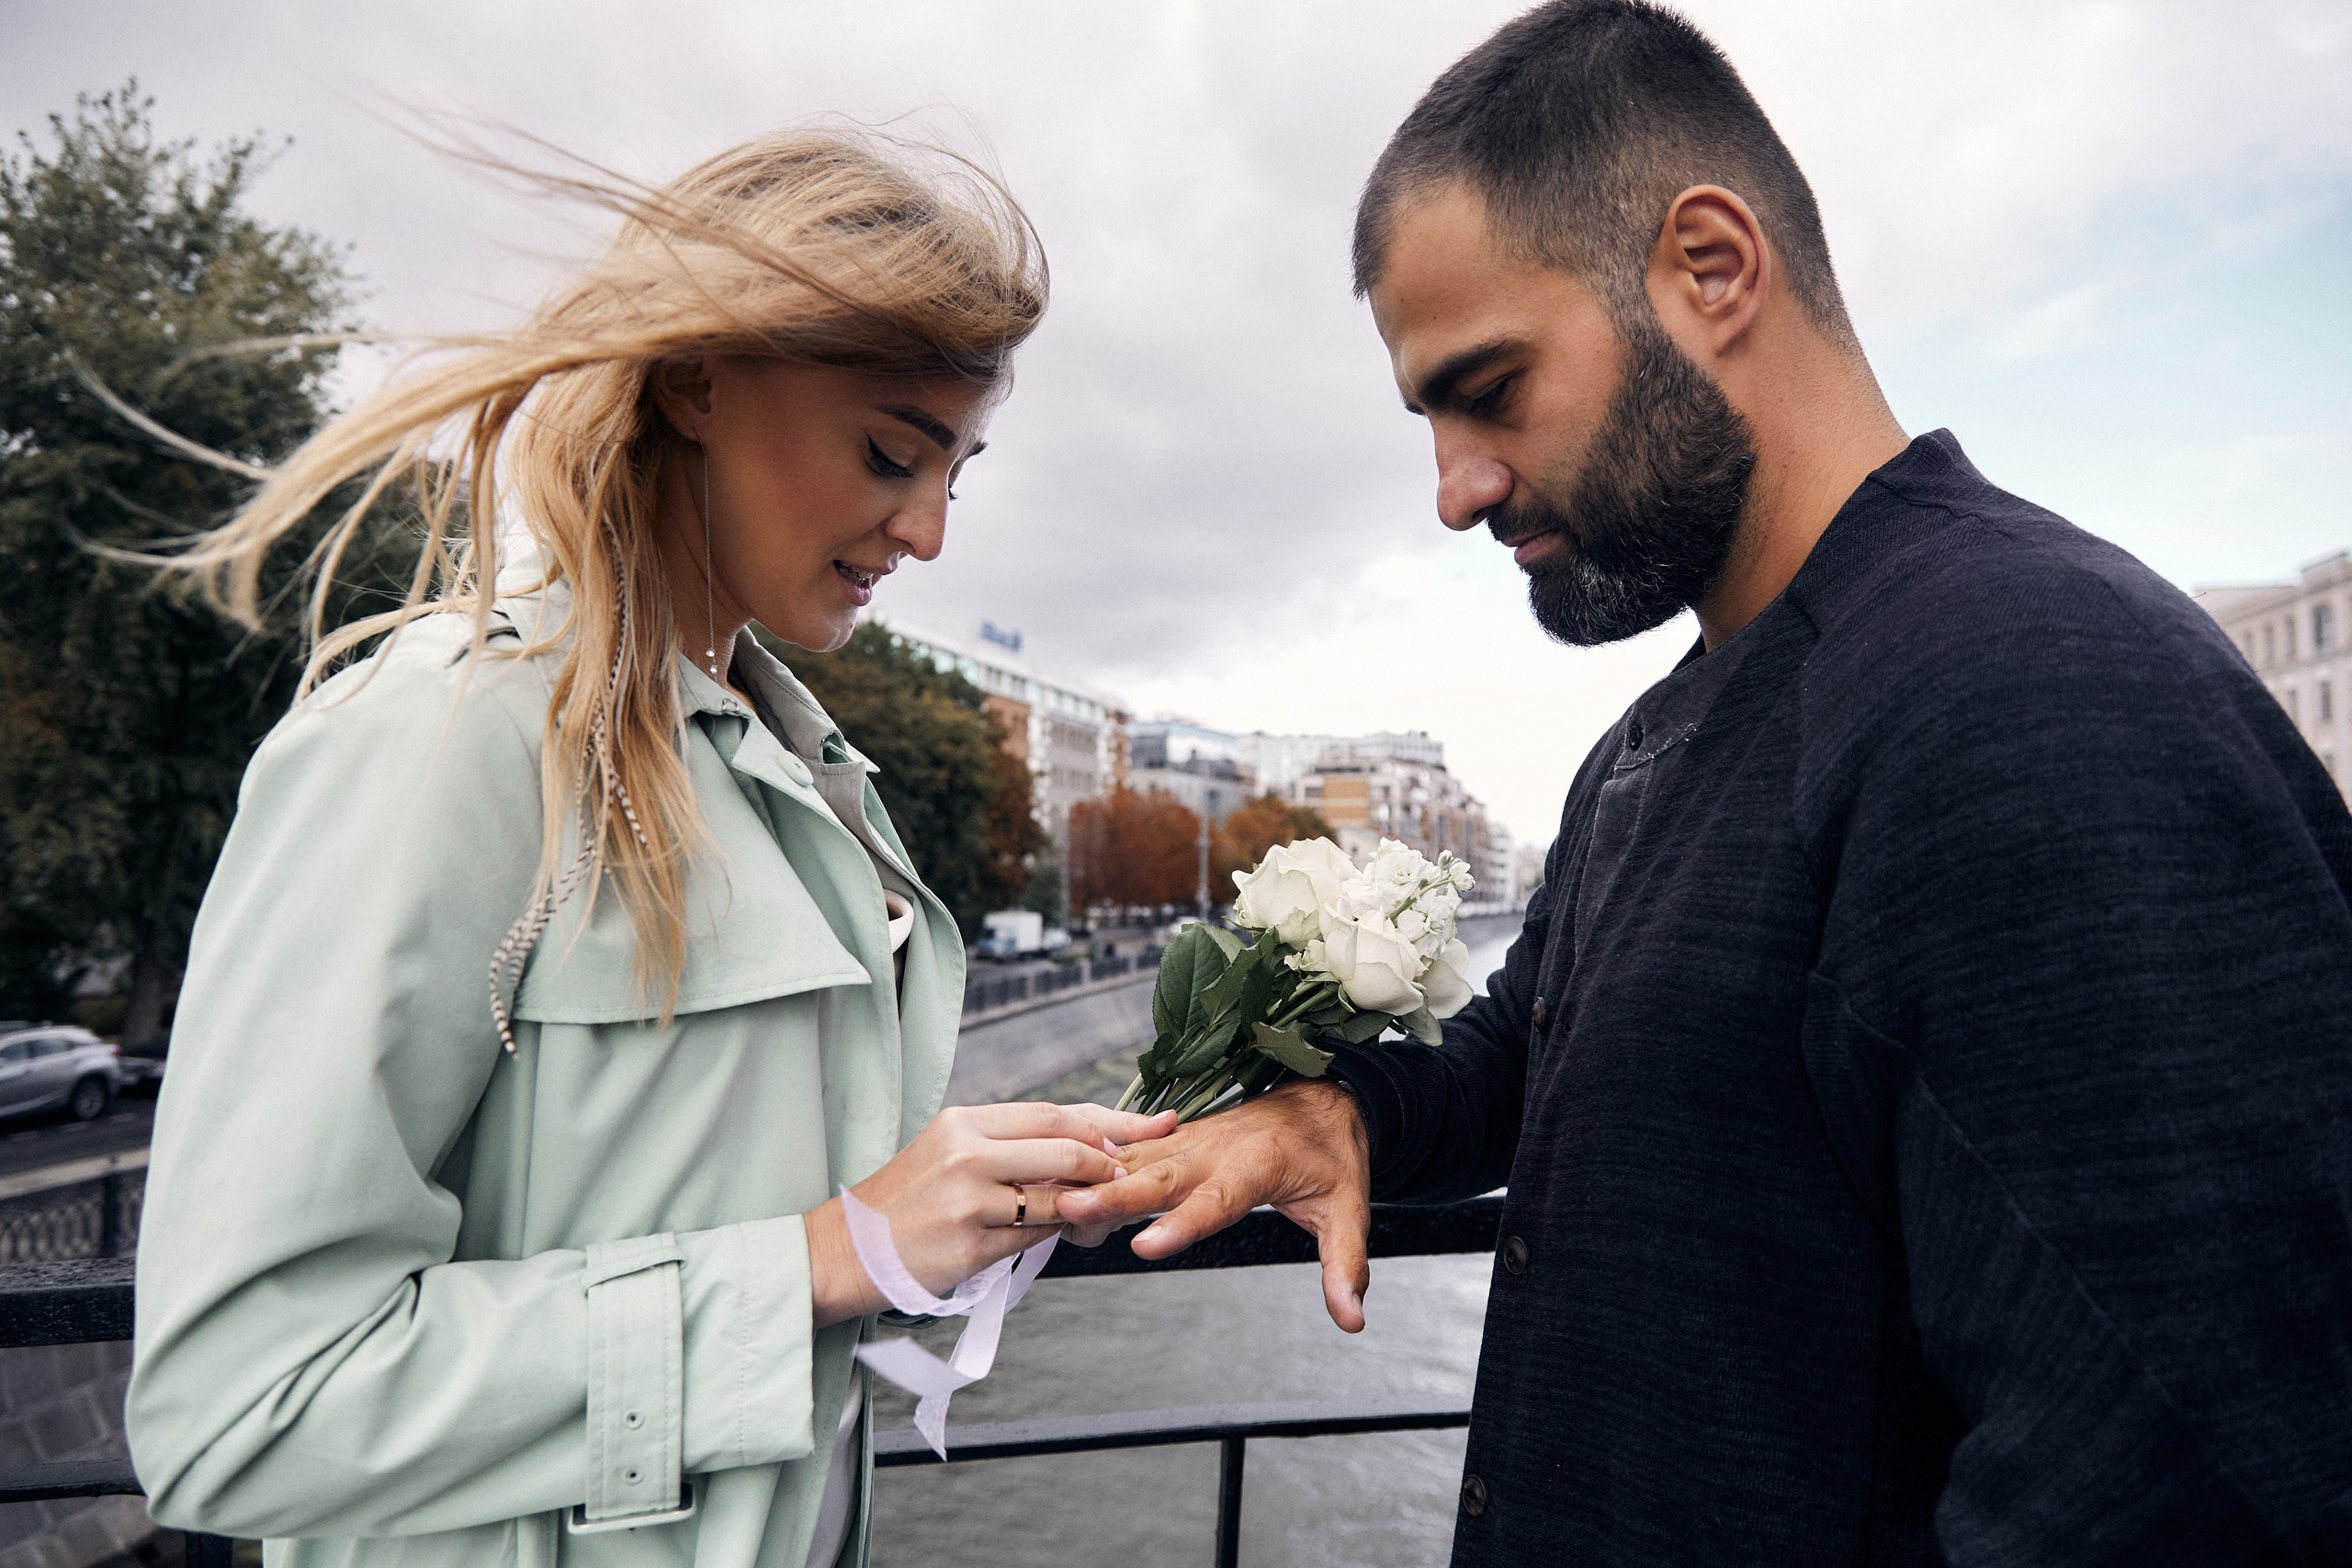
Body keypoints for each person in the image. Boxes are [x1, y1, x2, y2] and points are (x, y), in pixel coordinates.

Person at [1059, 4, 2352, 1562]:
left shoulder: (2038, 698)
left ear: (1712, 269)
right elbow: (1541, 1068)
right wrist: (1352, 1120)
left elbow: (2207, 1468)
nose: (1455, 490)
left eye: (1489, 387)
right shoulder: (1656, 744)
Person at [124, 130, 1173, 1568]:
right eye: (889, 451)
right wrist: (820, 1262)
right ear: (694, 380)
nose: (928, 530)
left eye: (958, 471)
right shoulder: (436, 743)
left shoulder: (791, 763)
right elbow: (239, 1405)